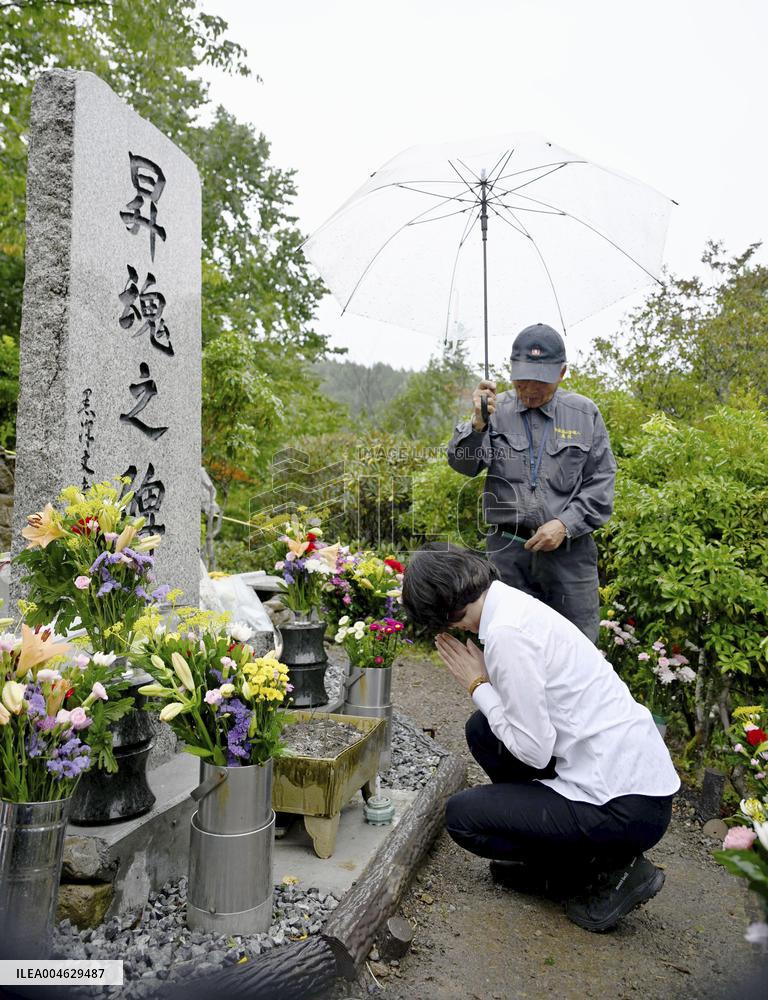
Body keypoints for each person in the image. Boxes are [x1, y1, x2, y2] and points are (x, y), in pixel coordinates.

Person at [401, 543, 680, 933]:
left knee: (462, 818)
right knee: (482, 731)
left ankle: (612, 870)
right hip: (635, 783)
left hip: (623, 808)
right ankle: (554, 856)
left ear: (446, 617)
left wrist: (478, 684)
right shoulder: (510, 603)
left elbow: (533, 751)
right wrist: (487, 685)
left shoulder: (505, 634)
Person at [447, 323, 616, 643]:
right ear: (510, 370)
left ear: (563, 373)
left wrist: (565, 524)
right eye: (522, 379)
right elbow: (464, 465)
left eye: (541, 381)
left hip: (570, 556)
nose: (530, 389)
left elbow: (602, 480)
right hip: (507, 554)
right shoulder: (493, 411)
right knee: (508, 644)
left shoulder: (584, 413)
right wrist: (477, 424)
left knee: (576, 646)